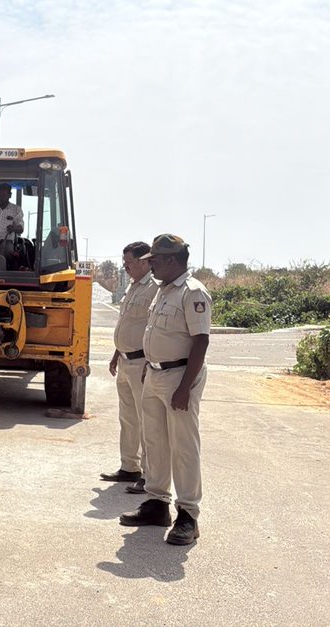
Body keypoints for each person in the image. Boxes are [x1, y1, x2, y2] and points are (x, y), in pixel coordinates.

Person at [118, 234, 211, 546]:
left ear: (172, 260)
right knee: (154, 441)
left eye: (155, 259)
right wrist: (150, 363)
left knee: (183, 446)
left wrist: (185, 387)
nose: (151, 264)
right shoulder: (163, 291)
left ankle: (188, 514)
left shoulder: (192, 292)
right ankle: (157, 504)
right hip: (156, 374)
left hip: (180, 376)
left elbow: (201, 341)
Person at [101, 241, 155, 494]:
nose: (126, 266)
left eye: (130, 262)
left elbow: (152, 330)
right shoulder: (134, 287)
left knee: (146, 422)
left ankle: (150, 475)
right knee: (128, 419)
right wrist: (116, 353)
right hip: (124, 361)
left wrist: (150, 362)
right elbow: (126, 324)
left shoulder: (154, 288)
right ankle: (129, 467)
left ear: (145, 261)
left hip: (141, 363)